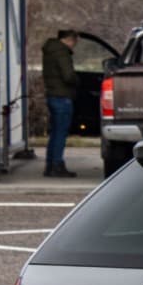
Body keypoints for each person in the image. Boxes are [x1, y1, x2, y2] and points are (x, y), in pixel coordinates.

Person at [41, 29, 80, 177]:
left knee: (55, 133)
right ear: (70, 39)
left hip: (53, 95)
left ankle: (50, 165)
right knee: (60, 133)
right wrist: (77, 81)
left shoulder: (51, 50)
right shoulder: (62, 52)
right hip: (62, 96)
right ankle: (57, 165)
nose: (73, 46)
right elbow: (68, 75)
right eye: (74, 42)